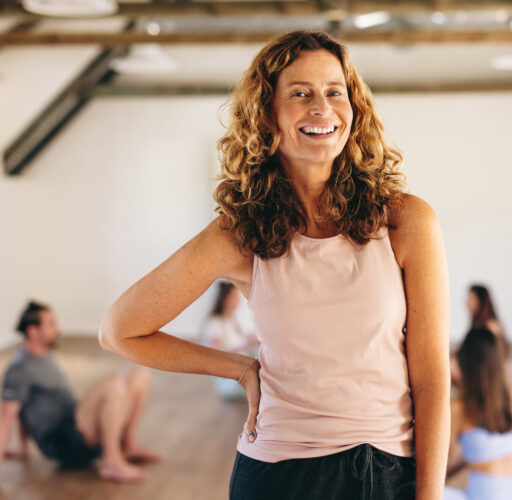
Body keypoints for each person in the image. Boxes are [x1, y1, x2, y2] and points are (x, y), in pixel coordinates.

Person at [99, 30, 450, 500]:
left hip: (385, 471)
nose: (322, 108)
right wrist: (240, 370)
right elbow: (120, 330)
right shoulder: (238, 234)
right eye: (300, 93)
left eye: (334, 92)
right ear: (268, 115)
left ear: (354, 108)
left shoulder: (406, 220)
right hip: (279, 474)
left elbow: (430, 381)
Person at [0, 301, 161, 483]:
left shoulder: (43, 356)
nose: (58, 329)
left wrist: (23, 449)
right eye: (51, 324)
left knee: (140, 375)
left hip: (75, 422)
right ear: (32, 331)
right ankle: (111, 461)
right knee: (113, 383)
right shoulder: (19, 369)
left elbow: (23, 407)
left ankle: (129, 446)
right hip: (63, 440)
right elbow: (7, 416)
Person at [444, 327, 512, 500]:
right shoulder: (509, 396)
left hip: (488, 494)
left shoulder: (459, 407)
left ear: (466, 362)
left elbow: (440, 463)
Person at [203, 281, 260, 399]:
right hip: (230, 382)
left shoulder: (233, 321)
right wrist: (246, 345)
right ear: (224, 299)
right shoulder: (216, 323)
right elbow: (215, 353)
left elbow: (246, 342)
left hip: (241, 374)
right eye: (234, 297)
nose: (237, 301)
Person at [450, 284, 512, 389]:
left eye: (471, 298)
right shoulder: (477, 324)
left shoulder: (490, 329)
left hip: (482, 379)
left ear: (481, 301)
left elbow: (494, 360)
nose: (467, 302)